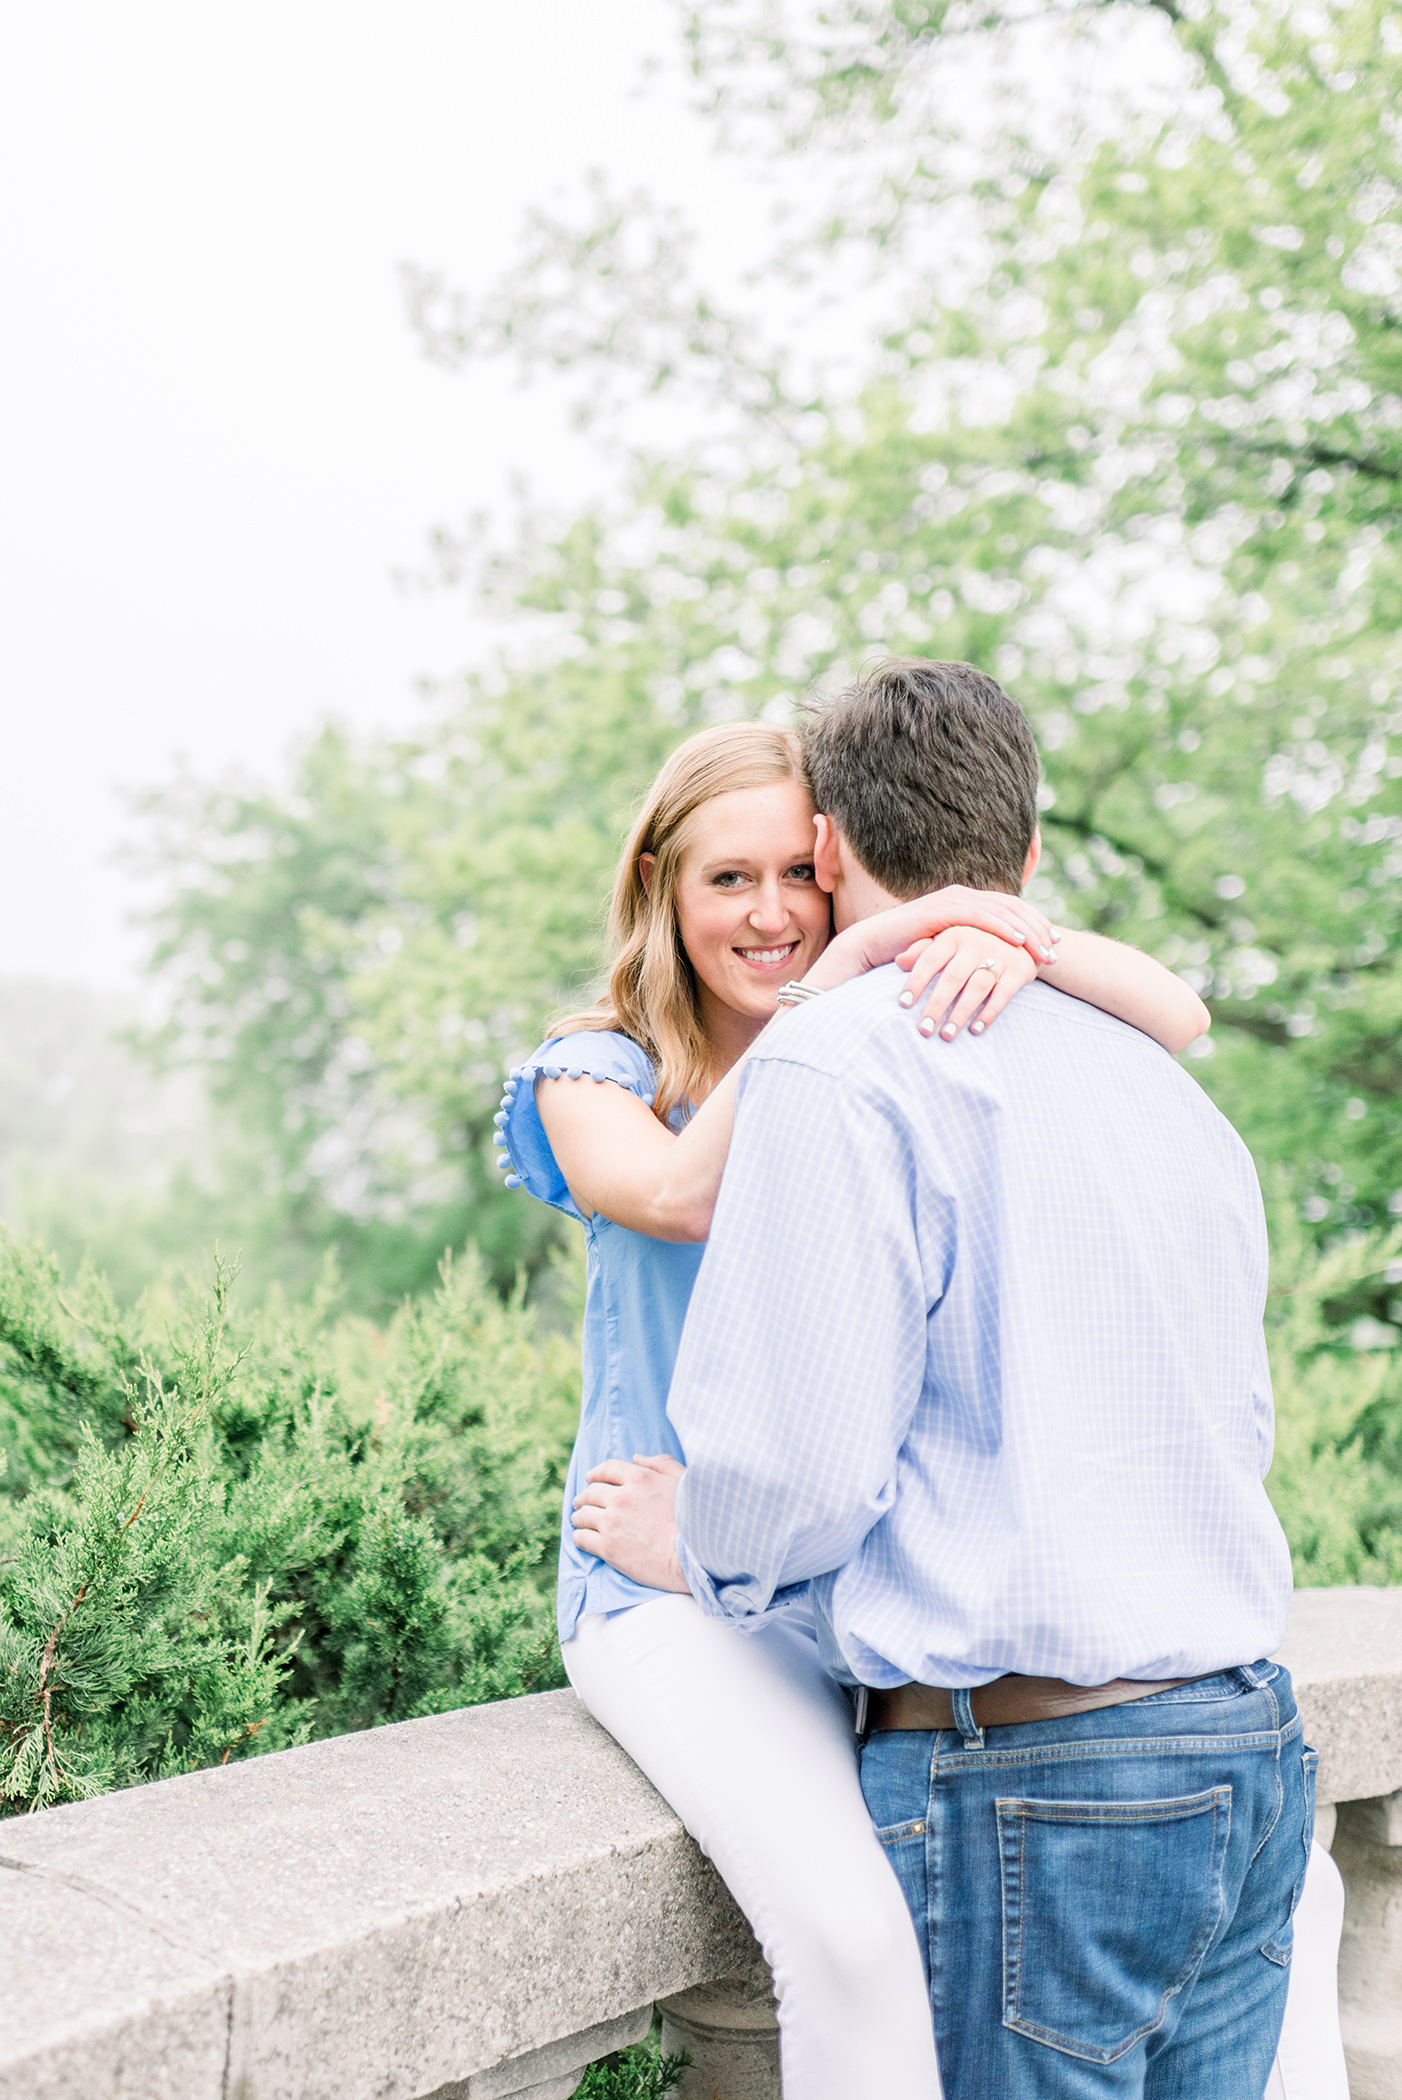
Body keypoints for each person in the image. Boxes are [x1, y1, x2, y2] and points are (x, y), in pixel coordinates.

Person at [573, 661, 1345, 2099]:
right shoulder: (1168, 1091)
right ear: (1030, 858)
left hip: (1035, 1784)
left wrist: (705, 1546)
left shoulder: (836, 1063)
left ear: (831, 854)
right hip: (1242, 1740)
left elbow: (799, 1475)